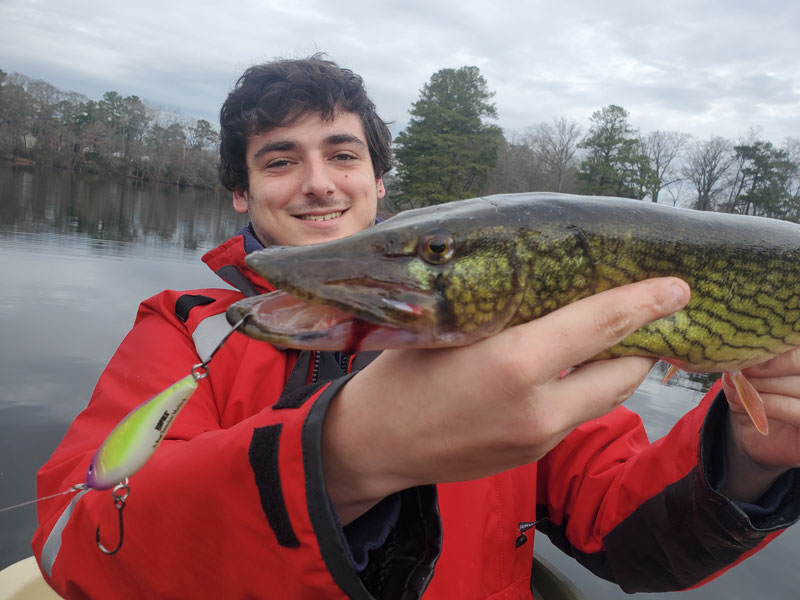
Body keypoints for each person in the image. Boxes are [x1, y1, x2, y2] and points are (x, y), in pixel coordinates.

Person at [32, 56, 800, 599]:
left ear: (377, 178)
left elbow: (630, 536)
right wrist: (344, 460)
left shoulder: (521, 346)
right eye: (279, 161)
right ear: (240, 191)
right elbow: (79, 543)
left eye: (342, 153)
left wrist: (750, 459)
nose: (319, 182)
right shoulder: (188, 335)